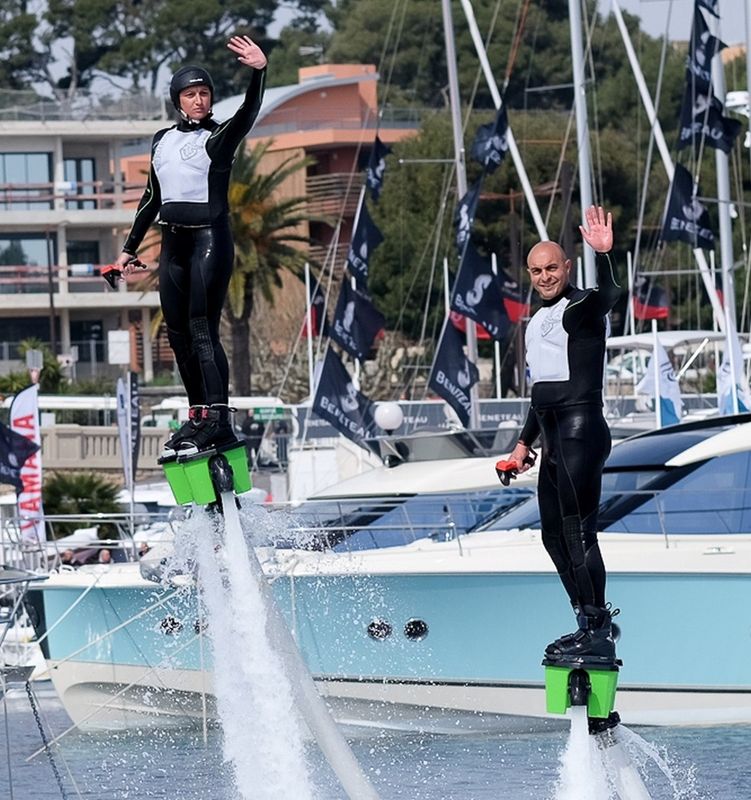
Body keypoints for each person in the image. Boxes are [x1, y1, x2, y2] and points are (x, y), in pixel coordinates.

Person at [115, 35, 268, 458]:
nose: (198, 100)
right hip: (173, 245)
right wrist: (128, 249)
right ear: (177, 100)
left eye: (204, 93)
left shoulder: (217, 138)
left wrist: (258, 72)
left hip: (209, 241)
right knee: (177, 335)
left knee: (202, 330)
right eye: (190, 94)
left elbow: (248, 112)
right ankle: (198, 415)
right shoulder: (162, 139)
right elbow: (151, 198)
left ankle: (219, 419)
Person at [504, 205, 620, 663]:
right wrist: (522, 444)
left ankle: (598, 625)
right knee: (552, 536)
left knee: (579, 533)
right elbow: (541, 391)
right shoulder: (537, 321)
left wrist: (605, 254)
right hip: (551, 436)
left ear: (566, 267)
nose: (545, 276)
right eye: (536, 270)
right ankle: (586, 621)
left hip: (581, 431)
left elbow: (611, 292)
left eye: (552, 267)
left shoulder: (581, 309)